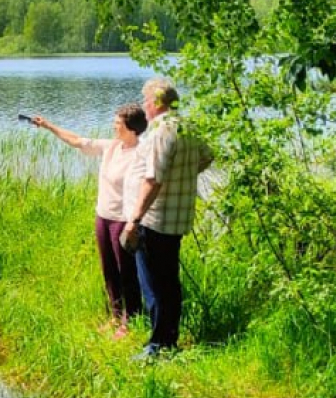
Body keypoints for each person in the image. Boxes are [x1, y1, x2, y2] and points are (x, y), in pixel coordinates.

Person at [26, 104, 148, 332]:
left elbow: (150, 186)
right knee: (109, 269)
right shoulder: (111, 147)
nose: (113, 126)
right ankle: (115, 316)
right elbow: (77, 141)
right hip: (103, 217)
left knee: (127, 271)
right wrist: (48, 126)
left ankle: (129, 322)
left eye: (118, 123)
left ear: (132, 128)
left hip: (124, 220)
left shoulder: (141, 154)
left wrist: (136, 221)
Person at [122, 79, 214, 357]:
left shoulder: (161, 132)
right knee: (169, 281)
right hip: (179, 217)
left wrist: (134, 220)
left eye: (146, 100)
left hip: (156, 220)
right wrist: (182, 177)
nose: (143, 105)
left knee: (154, 285)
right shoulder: (188, 126)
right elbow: (207, 157)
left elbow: (152, 180)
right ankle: (168, 339)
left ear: (158, 103)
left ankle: (158, 346)